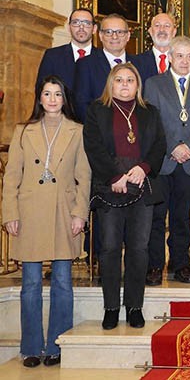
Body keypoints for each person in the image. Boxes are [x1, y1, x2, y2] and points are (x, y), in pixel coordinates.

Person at [2, 76, 90, 367]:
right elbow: (12, 176)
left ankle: (56, 345)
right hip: (29, 214)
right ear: (39, 99)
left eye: (57, 94)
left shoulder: (77, 131)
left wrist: (80, 213)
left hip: (63, 212)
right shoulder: (23, 132)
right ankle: (30, 347)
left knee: (63, 282)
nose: (52, 99)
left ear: (65, 99)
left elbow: (84, 176)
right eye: (47, 94)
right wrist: (10, 214)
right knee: (30, 284)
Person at [83, 63, 166, 330]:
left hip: (141, 186)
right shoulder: (97, 110)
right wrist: (114, 176)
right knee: (108, 249)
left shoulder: (150, 112)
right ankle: (110, 307)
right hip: (109, 187)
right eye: (119, 80)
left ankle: (134, 306)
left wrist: (143, 169)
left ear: (137, 84)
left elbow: (159, 145)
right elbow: (93, 146)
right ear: (111, 83)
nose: (125, 84)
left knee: (138, 249)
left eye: (130, 80)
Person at [144, 36, 190, 285]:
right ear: (170, 57)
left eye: (189, 56)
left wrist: (189, 147)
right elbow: (152, 121)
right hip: (163, 161)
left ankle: (181, 264)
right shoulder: (154, 84)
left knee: (182, 216)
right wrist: (173, 147)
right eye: (180, 56)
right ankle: (154, 266)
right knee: (156, 216)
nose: (185, 61)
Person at [75, 13, 136, 121]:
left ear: (128, 36)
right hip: (99, 132)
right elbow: (81, 104)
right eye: (108, 32)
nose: (114, 36)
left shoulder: (140, 63)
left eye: (120, 32)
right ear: (100, 36)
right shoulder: (86, 64)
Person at [36, 7, 97, 91]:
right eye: (76, 22)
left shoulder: (103, 58)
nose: (81, 27)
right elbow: (41, 91)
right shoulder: (52, 56)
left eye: (87, 23)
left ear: (94, 29)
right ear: (68, 27)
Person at [134, 12, 177, 83]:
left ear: (174, 32)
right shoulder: (137, 62)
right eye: (157, 25)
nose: (162, 30)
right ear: (150, 31)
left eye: (167, 26)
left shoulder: (184, 62)